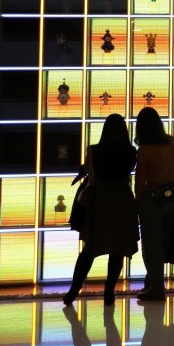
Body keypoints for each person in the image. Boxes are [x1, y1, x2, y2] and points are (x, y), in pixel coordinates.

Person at [64, 113, 139, 306]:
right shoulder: (130, 152)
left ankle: (73, 291)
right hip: (122, 202)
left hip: (99, 202)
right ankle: (109, 292)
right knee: (118, 250)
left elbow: (89, 171)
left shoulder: (94, 151)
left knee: (89, 250)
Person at [134, 107, 174, 302]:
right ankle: (152, 281)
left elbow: (140, 180)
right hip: (172, 197)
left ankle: (156, 288)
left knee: (151, 245)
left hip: (151, 200)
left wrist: (138, 201)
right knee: (163, 242)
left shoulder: (145, 150)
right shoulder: (173, 142)